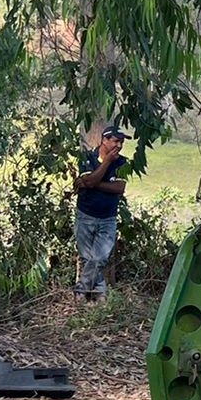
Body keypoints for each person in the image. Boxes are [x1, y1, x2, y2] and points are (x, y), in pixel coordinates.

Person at [73, 125, 130, 301]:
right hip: (86, 215)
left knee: (100, 256)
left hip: (108, 218)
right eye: (115, 141)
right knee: (87, 257)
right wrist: (105, 164)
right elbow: (85, 180)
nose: (119, 146)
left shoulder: (122, 163)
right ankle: (99, 292)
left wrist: (91, 183)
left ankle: (81, 290)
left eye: (121, 142)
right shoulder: (88, 158)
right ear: (104, 140)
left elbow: (119, 187)